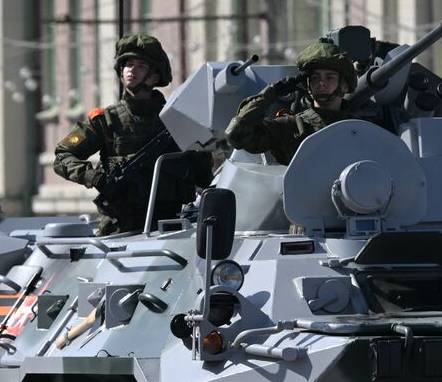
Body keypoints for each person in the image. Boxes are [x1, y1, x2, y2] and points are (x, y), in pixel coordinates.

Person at [54, 34, 212, 235]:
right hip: (119, 228)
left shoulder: (177, 120)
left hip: (168, 227)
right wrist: (94, 177)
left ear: (155, 77)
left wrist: (198, 150)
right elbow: (62, 156)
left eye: (141, 66)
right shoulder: (106, 120)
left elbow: (204, 177)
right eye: (128, 64)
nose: (132, 70)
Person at [225, 41, 357, 165]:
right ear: (307, 84)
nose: (321, 83)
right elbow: (236, 134)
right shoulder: (291, 127)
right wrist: (271, 92)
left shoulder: (360, 127)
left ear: (345, 85)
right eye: (315, 78)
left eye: (330, 77)